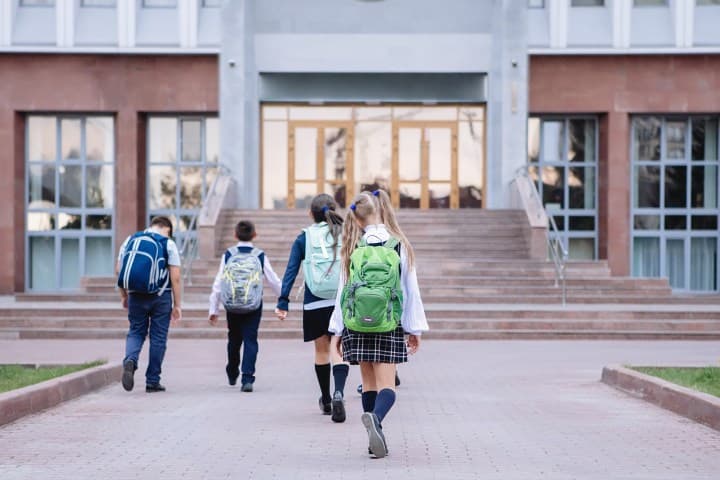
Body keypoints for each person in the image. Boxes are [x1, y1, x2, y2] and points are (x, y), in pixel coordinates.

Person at [329, 190, 428, 458]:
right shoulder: (399, 245)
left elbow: (342, 291)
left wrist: (337, 329)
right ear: (382, 210)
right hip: (388, 323)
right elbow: (410, 290)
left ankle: (373, 436)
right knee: (388, 388)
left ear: (357, 219)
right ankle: (376, 419)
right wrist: (413, 328)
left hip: (357, 324)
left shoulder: (353, 246)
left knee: (368, 384)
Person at [275, 193, 350, 423]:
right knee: (339, 349)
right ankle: (339, 392)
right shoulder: (345, 233)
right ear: (335, 210)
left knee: (321, 351)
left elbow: (291, 271)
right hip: (340, 299)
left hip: (314, 299)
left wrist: (283, 301)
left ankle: (326, 399)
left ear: (311, 214)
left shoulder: (303, 238)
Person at [208, 220, 282, 392]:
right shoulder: (259, 255)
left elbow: (219, 281)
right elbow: (273, 280)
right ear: (254, 235)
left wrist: (214, 308)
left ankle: (232, 371)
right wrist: (282, 298)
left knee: (234, 338)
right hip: (253, 305)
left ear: (235, 235)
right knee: (250, 339)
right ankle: (247, 378)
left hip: (231, 304)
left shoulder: (228, 254)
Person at [117, 216, 182, 393]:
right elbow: (175, 278)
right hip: (161, 296)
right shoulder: (167, 244)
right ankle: (152, 381)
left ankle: (130, 360)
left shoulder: (130, 240)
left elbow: (119, 270)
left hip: (136, 295)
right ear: (167, 229)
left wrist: (124, 296)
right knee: (158, 337)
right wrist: (177, 305)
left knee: (136, 331)